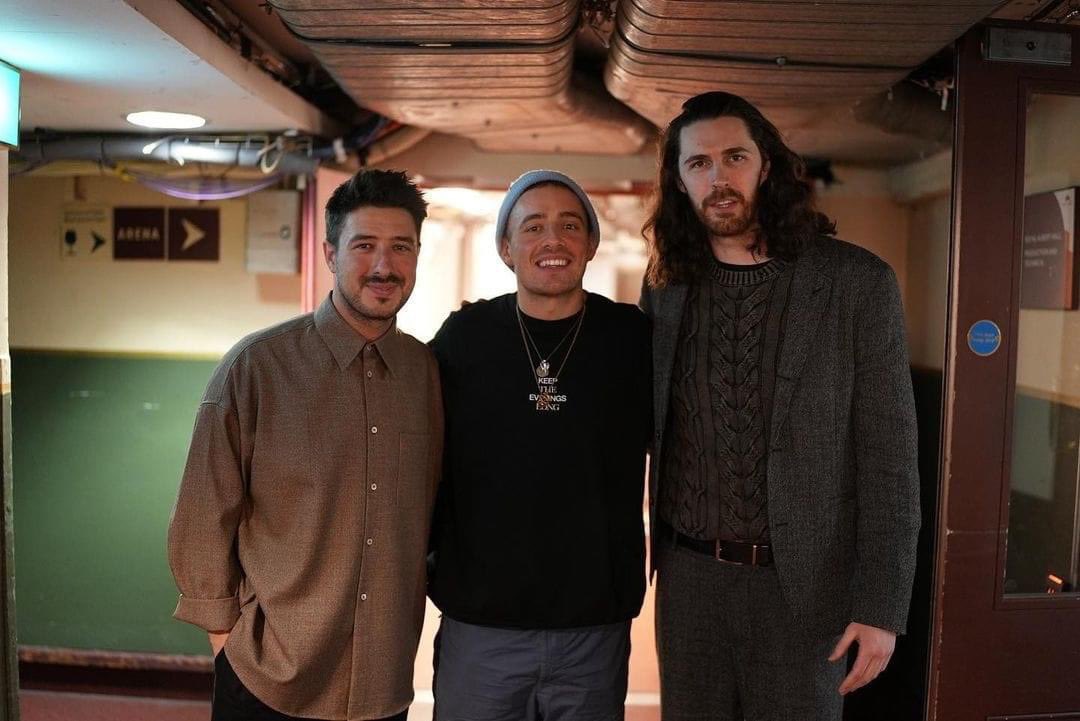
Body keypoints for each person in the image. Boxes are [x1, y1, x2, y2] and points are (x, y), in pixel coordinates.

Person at [641, 91, 920, 721]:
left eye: (734, 156)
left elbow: (891, 459)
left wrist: (881, 606)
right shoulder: (666, 286)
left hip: (805, 592)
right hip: (689, 585)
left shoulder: (858, 282)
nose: (718, 177)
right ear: (679, 181)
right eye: (699, 163)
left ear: (766, 164)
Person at [167, 169, 442, 721]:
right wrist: (227, 644)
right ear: (329, 253)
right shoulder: (258, 367)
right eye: (364, 246)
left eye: (401, 248)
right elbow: (203, 515)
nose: (384, 266)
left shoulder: (426, 373)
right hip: (269, 679)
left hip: (382, 685)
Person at [427, 170, 651, 721]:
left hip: (593, 631)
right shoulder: (464, 338)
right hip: (481, 630)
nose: (553, 240)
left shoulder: (633, 339)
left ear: (591, 244)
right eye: (533, 227)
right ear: (506, 248)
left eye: (570, 225)